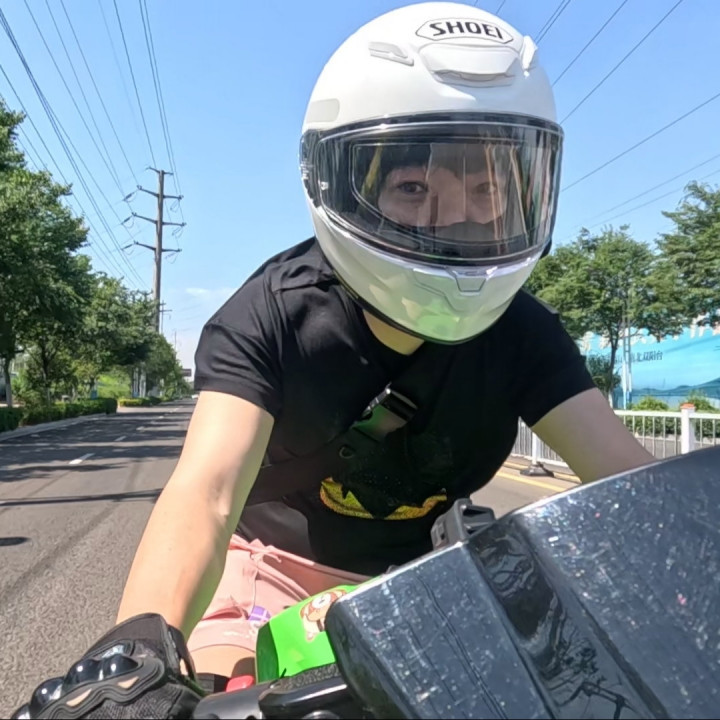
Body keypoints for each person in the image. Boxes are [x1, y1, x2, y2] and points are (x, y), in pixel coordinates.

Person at [13, 3, 656, 718]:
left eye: (487, 190)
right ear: (340, 184)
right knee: (219, 690)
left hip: (432, 581)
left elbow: (634, 486)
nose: (457, 218)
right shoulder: (270, 314)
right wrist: (134, 659)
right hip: (269, 574)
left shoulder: (524, 332)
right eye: (414, 188)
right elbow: (208, 494)